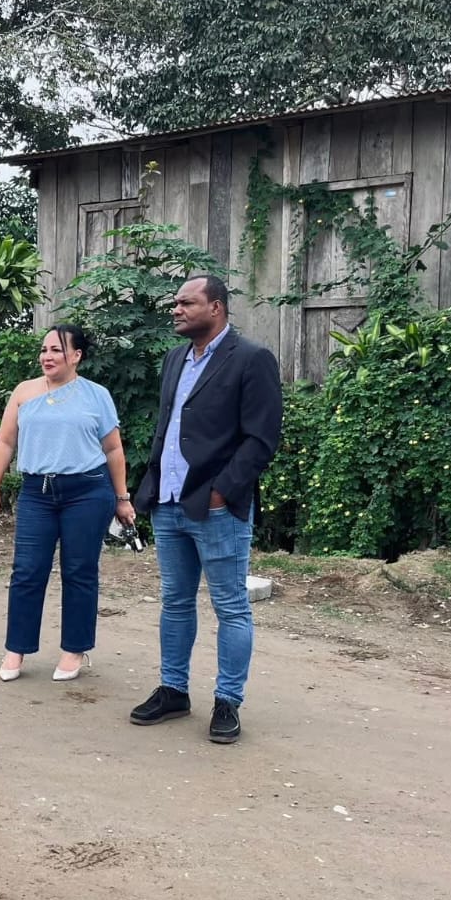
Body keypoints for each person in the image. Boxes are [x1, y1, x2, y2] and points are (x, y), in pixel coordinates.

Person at [129, 274, 282, 743]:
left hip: (216, 507)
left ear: (216, 307)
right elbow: (168, 428)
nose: (176, 310)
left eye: (186, 303)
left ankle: (227, 701)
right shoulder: (175, 358)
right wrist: (151, 487)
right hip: (168, 501)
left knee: (230, 605)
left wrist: (222, 491)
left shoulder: (251, 358)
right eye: (175, 303)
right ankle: (174, 690)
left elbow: (262, 438)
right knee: (175, 601)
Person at [0, 325, 134, 683]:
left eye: (56, 350)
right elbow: (5, 441)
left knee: (79, 571)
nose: (47, 356)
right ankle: (16, 648)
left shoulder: (96, 395)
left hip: (87, 492)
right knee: (27, 571)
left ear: (76, 356)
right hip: (37, 493)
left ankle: (74, 649)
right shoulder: (24, 392)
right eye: (44, 350)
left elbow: (113, 449)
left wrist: (122, 499)